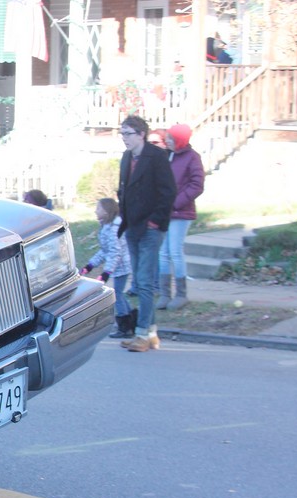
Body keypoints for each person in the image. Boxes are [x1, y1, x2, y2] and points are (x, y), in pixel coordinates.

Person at [116, 115, 177, 353]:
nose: (124, 139)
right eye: (121, 133)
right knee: (139, 281)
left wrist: (156, 221)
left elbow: (168, 192)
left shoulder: (157, 157)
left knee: (143, 282)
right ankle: (150, 333)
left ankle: (142, 333)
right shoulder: (126, 157)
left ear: (141, 134)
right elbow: (124, 189)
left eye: (128, 133)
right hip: (132, 225)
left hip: (150, 228)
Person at [158, 123, 205, 310]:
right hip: (164, 212)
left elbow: (197, 185)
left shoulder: (193, 158)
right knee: (163, 253)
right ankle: (164, 294)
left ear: (180, 140)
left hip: (180, 212)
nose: (167, 140)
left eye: (170, 137)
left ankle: (181, 294)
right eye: (167, 137)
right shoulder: (166, 156)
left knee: (175, 252)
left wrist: (176, 202)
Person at [80, 198, 134, 338]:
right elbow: (105, 250)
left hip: (122, 265)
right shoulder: (106, 226)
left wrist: (106, 273)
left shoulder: (114, 228)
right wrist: (90, 266)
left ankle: (125, 327)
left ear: (106, 211)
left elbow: (115, 252)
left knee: (117, 294)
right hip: (118, 265)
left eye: (98, 208)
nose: (95, 211)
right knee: (119, 293)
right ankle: (132, 321)